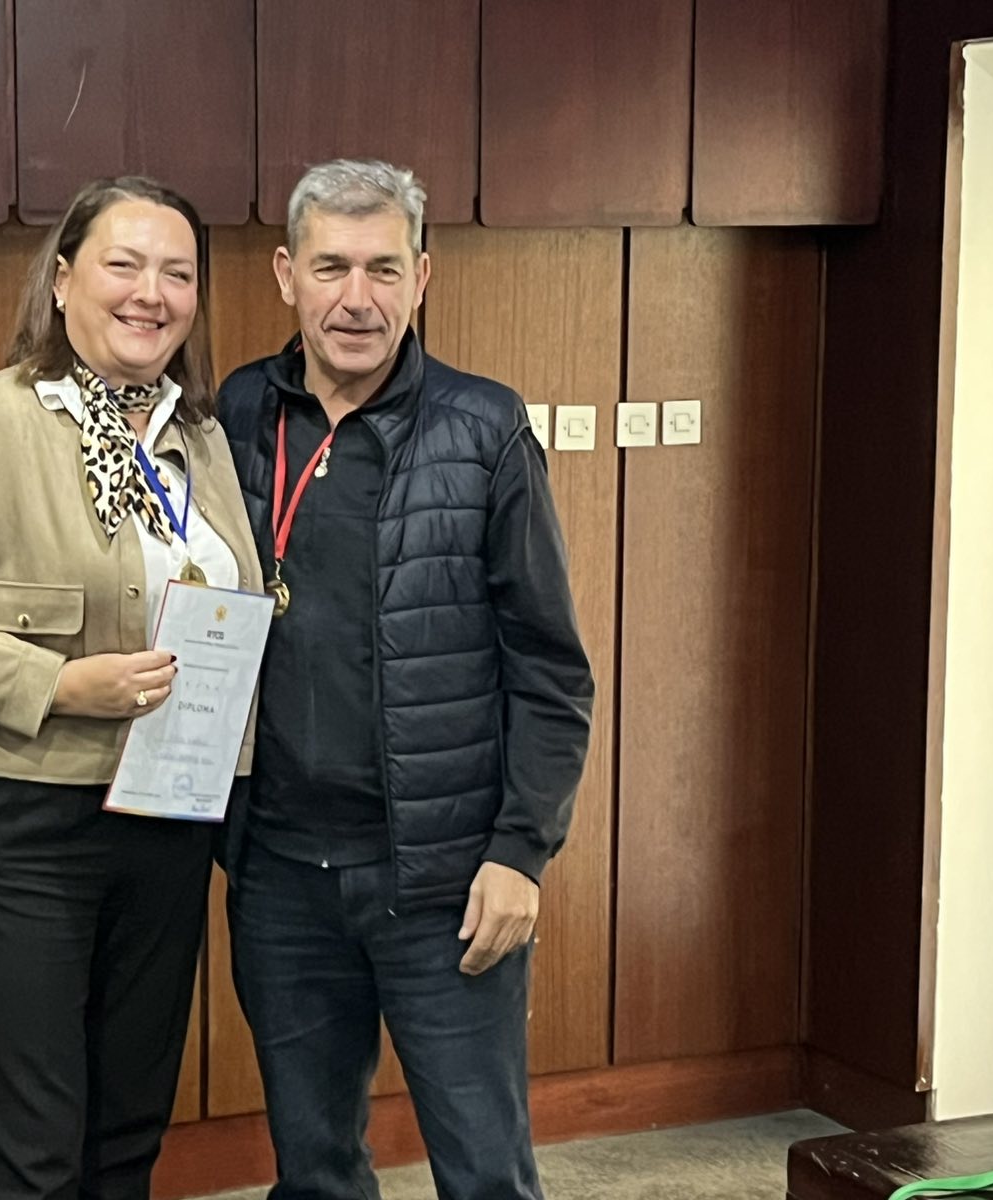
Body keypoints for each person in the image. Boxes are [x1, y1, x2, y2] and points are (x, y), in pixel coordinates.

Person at [0, 176, 261, 1200]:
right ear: (64, 279)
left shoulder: (201, 439)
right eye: (125, 265)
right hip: (18, 822)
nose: (151, 293)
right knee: (28, 1148)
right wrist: (58, 683)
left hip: (168, 819)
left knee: (126, 1130)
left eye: (177, 273)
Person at [216, 159, 595, 1200]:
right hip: (280, 875)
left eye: (383, 269)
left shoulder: (484, 429)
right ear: (285, 274)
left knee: (484, 1176)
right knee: (315, 1173)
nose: (357, 298)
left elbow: (551, 670)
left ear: (421, 277)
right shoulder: (238, 412)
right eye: (331, 267)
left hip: (443, 882)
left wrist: (521, 852)